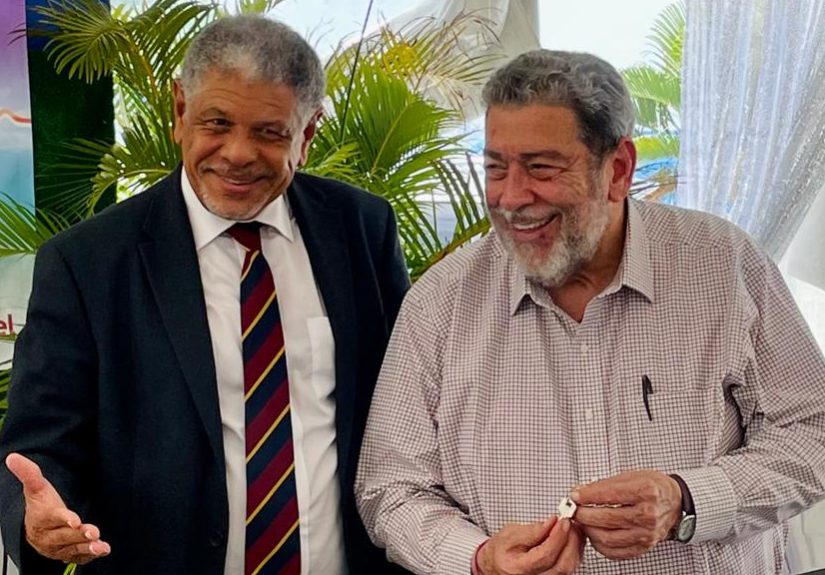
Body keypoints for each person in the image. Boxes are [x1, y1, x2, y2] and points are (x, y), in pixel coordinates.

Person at [355, 49, 825, 575]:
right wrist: (479, 559)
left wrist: (688, 499)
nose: (511, 198)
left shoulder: (721, 266)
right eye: (495, 168)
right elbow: (390, 489)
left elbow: (814, 428)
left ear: (618, 169)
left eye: (540, 167)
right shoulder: (439, 303)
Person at [0, 14, 410, 575]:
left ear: (308, 134)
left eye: (270, 132)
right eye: (217, 122)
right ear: (179, 111)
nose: (238, 153)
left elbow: (404, 409)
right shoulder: (88, 263)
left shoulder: (362, 229)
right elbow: (41, 444)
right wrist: (36, 520)